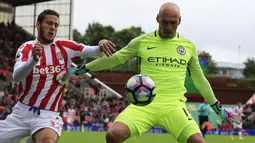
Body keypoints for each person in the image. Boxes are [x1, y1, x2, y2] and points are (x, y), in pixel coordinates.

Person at [66, 2, 241, 143]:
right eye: (165, 22)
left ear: (180, 21)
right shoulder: (142, 41)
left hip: (174, 106)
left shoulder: (188, 46)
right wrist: (83, 69)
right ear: (157, 19)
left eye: (173, 22)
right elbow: (115, 59)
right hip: (143, 105)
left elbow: (199, 79)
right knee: (113, 135)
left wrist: (218, 108)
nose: (169, 26)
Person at [0, 9, 115, 143]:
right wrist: (33, 60)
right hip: (21, 113)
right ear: (38, 25)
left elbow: (94, 51)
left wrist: (101, 44)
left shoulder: (65, 47)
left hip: (48, 115)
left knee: (47, 141)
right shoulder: (26, 48)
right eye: (49, 23)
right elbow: (17, 77)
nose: (53, 27)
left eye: (56, 25)